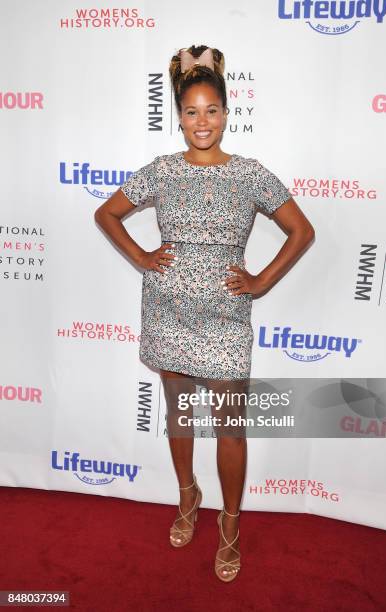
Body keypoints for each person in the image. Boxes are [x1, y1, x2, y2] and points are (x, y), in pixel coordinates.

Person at [94, 44, 315, 582]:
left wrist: (261, 280)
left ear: (226, 112)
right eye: (191, 111)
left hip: (226, 318)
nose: (201, 121)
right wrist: (144, 257)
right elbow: (107, 213)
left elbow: (302, 231)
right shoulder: (162, 171)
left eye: (211, 110)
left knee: (231, 429)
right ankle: (187, 497)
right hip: (167, 310)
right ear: (178, 116)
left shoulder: (249, 174)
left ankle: (230, 524)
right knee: (179, 414)